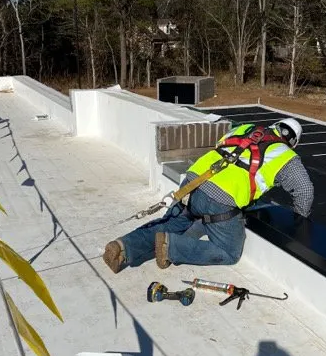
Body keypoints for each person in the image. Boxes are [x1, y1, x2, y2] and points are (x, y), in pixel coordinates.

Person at [103, 117, 314, 274]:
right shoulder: (286, 155)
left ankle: (123, 247)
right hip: (219, 200)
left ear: (275, 126)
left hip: (192, 183)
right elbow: (304, 191)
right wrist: (299, 221)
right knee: (229, 252)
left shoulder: (244, 128)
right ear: (293, 142)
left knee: (169, 223)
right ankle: (171, 246)